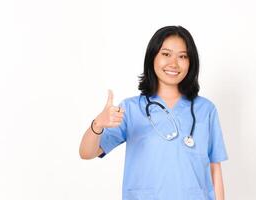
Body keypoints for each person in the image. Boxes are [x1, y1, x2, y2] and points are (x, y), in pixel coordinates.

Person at [79, 26, 228, 200]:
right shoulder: (132, 109)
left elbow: (214, 169)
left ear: (191, 62)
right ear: (152, 57)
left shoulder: (205, 110)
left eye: (182, 56)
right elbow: (86, 153)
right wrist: (98, 124)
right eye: (166, 54)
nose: (173, 63)